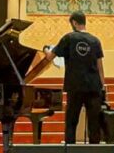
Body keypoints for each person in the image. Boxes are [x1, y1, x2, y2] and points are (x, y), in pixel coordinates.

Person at [26, 11, 106, 144]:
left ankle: (70, 149)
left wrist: (45, 48)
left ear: (74, 23)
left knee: (71, 123)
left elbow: (50, 56)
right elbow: (100, 67)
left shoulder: (68, 38)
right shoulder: (95, 41)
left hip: (75, 87)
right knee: (94, 125)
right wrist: (103, 86)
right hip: (93, 87)